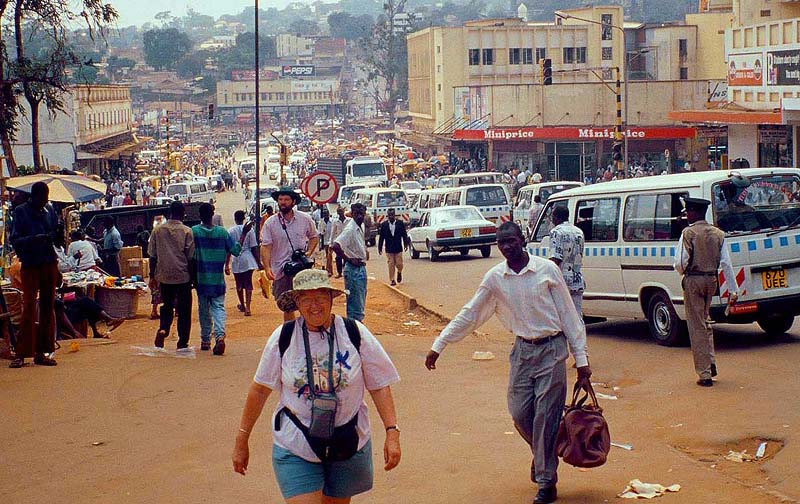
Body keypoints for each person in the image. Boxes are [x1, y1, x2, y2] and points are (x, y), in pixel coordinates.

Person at [425, 222, 591, 504]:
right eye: (502, 243)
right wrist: (439, 345)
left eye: (511, 241)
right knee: (519, 413)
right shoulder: (495, 278)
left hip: (552, 349)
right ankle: (543, 455)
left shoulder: (546, 271)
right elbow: (471, 313)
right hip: (522, 352)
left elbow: (569, 315)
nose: (507, 247)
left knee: (546, 417)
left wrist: (582, 360)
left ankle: (546, 482)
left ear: (522, 240)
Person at [231, 269, 401, 503]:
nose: (314, 306)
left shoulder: (353, 333)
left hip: (347, 439)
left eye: (321, 297)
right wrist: (242, 439)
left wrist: (392, 432)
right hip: (296, 441)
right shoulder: (284, 337)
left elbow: (380, 385)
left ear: (331, 299)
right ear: (297, 303)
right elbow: (260, 389)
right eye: (306, 299)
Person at [674, 197, 737, 387]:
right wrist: (733, 289)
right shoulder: (718, 234)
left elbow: (680, 263)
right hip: (712, 280)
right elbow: (726, 263)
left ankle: (704, 373)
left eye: (688, 212)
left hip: (694, 279)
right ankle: (711, 361)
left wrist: (684, 272)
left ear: (693, 212)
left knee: (696, 326)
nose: (687, 216)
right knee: (706, 321)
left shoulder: (689, 233)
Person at [9, 182, 60, 368]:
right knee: (29, 306)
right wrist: (33, 240)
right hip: (30, 264)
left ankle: (43, 352)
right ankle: (22, 353)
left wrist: (55, 235)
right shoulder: (21, 212)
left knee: (48, 307)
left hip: (48, 262)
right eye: (43, 198)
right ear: (35, 196)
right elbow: (15, 239)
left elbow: (54, 235)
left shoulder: (49, 211)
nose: (45, 201)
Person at [260, 187, 318, 322]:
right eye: (280, 199)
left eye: (286, 199)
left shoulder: (305, 219)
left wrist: (308, 253)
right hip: (281, 271)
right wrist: (267, 268)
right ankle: (291, 334)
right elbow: (266, 247)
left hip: (301, 270)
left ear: (293, 202)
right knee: (287, 306)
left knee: (306, 303)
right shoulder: (270, 223)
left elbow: (314, 237)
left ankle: (307, 332)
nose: (283, 202)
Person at [193, 203, 242, 355]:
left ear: (199, 215)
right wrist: (244, 234)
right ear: (212, 214)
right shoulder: (222, 233)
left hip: (200, 278)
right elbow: (235, 250)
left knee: (204, 310)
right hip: (218, 279)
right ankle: (220, 336)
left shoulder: (194, 232)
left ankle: (205, 340)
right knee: (218, 307)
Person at [149, 201, 195, 350]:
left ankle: (163, 329)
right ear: (182, 214)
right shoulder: (187, 231)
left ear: (169, 213)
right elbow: (190, 257)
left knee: (167, 305)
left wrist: (152, 276)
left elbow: (152, 256)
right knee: (184, 309)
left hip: (164, 276)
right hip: (182, 276)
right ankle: (182, 341)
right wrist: (193, 278)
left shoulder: (157, 231)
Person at [332, 203, 369, 322]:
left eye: (361, 213)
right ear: (352, 214)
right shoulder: (350, 229)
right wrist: (348, 259)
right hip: (353, 269)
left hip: (360, 268)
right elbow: (335, 245)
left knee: (360, 302)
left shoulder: (360, 226)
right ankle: (355, 332)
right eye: (356, 214)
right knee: (355, 307)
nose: (359, 216)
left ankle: (357, 330)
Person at [548, 205, 586, 316]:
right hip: (577, 280)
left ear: (556, 217)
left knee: (561, 317)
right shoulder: (578, 231)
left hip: (562, 282)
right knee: (576, 316)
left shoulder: (556, 232)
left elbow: (556, 259)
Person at [226, 210, 262, 317]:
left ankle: (242, 304)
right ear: (243, 218)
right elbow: (254, 247)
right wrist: (258, 262)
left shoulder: (230, 231)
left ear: (235, 218)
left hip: (236, 259)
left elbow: (229, 249)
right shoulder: (249, 230)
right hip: (248, 259)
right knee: (248, 283)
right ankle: (248, 307)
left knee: (239, 283)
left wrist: (226, 264)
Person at [377, 208, 410, 286]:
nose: (391, 217)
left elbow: (404, 235)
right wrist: (380, 247)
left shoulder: (400, 223)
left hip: (398, 248)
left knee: (399, 264)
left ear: (395, 215)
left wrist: (405, 244)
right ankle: (392, 279)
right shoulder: (384, 225)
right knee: (391, 263)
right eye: (389, 215)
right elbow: (381, 237)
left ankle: (399, 272)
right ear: (387, 216)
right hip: (389, 249)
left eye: (392, 215)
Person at [330, 207, 347, 278]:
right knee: (338, 258)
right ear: (337, 213)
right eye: (339, 212)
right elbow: (333, 233)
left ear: (343, 212)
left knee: (347, 258)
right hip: (339, 242)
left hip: (347, 242)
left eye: (341, 211)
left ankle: (346, 272)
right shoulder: (335, 222)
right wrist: (331, 243)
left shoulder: (349, 220)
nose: (340, 213)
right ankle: (339, 273)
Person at [317, 209, 334, 277]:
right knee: (326, 256)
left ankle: (329, 270)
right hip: (324, 241)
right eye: (324, 214)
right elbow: (319, 233)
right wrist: (320, 244)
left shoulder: (332, 221)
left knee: (329, 255)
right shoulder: (321, 222)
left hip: (330, 241)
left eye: (327, 213)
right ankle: (327, 269)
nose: (326, 215)